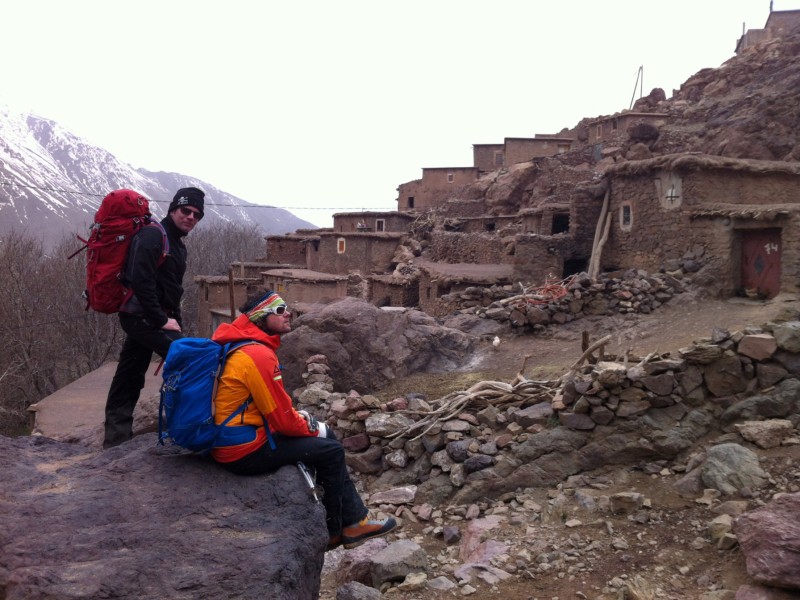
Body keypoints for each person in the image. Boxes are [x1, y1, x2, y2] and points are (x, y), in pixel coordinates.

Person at [209, 289, 397, 550]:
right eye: (279, 310)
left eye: (286, 307)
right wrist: (304, 425)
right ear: (261, 318)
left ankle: (355, 521)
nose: (288, 313)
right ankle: (334, 531)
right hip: (243, 449)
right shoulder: (257, 355)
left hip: (237, 435)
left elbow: (271, 408)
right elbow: (283, 419)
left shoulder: (243, 345)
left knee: (326, 435)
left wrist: (308, 424)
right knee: (330, 450)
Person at [103, 187, 206, 449]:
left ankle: (115, 440)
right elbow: (141, 281)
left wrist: (175, 319)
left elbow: (172, 288)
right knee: (191, 361)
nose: (191, 217)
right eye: (186, 210)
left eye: (197, 214)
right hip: (141, 317)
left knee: (130, 373)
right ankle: (189, 432)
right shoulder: (152, 235)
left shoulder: (176, 243)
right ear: (173, 209)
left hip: (147, 317)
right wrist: (161, 320)